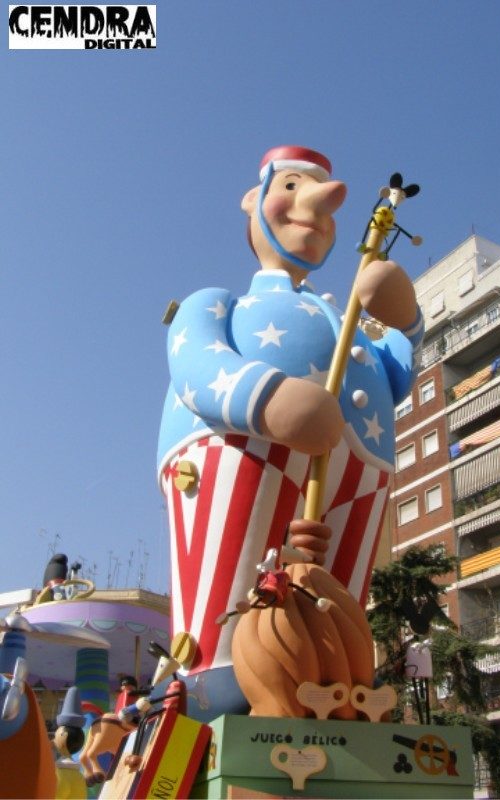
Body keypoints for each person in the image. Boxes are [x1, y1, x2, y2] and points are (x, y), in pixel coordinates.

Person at [158, 145, 423, 719]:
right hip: (241, 448)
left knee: (337, 601)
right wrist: (267, 398)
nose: (316, 208)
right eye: (291, 187)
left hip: (360, 462)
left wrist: (405, 321)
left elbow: (395, 374)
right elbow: (193, 357)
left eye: (321, 200)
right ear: (252, 201)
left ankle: (338, 679)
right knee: (238, 584)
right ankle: (218, 673)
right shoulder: (219, 303)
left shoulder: (342, 314)